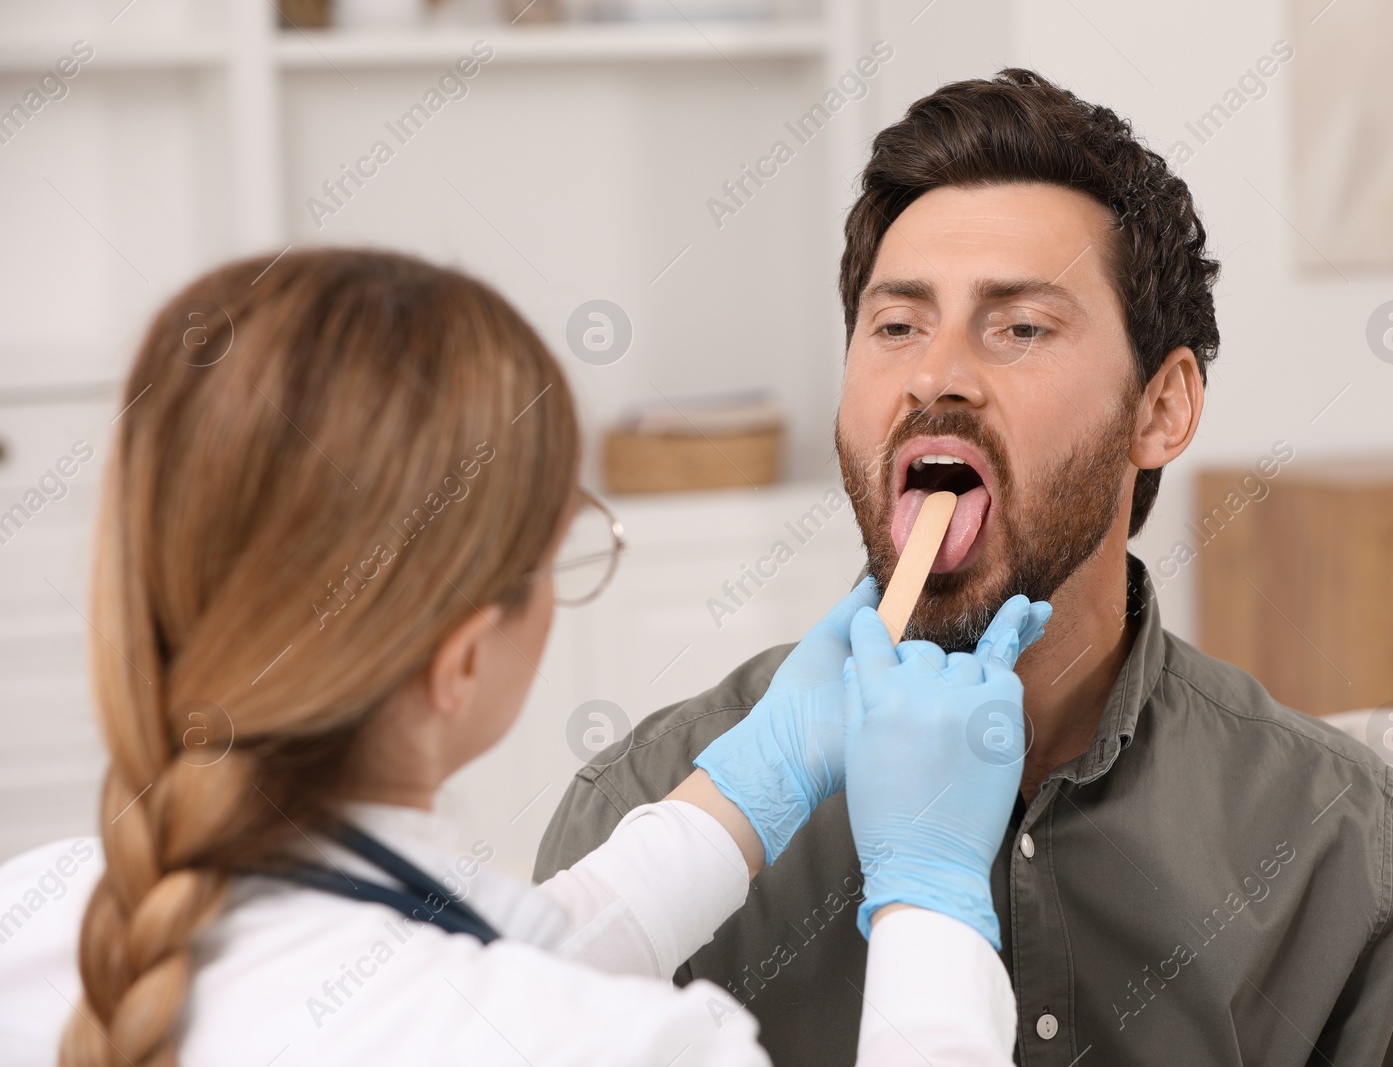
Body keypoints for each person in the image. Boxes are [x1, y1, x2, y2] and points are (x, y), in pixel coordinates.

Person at [537, 69, 1393, 1065]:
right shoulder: (642, 807)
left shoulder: (1345, 853)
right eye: (895, 325)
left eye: (1020, 326)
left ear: (1161, 409)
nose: (935, 373)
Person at [0, 248, 1053, 1066]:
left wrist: (756, 777)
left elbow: (486, 957)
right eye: (563, 547)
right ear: (459, 661)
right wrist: (931, 895)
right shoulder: (617, 1044)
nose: (938, 369)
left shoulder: (45, 915)